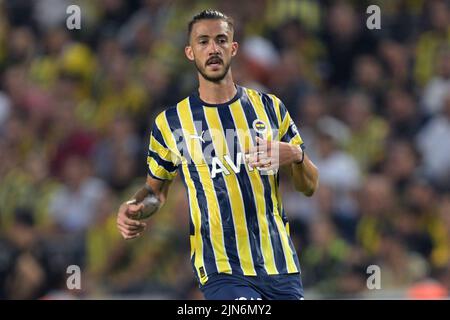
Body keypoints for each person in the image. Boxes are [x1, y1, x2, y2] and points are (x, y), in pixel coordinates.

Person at [116, 9, 319, 300]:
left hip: (281, 264)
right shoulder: (172, 123)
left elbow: (309, 186)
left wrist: (296, 155)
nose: (213, 48)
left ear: (233, 48)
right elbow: (155, 191)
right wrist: (135, 206)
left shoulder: (270, 108)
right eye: (203, 41)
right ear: (190, 52)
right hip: (221, 269)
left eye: (221, 40)